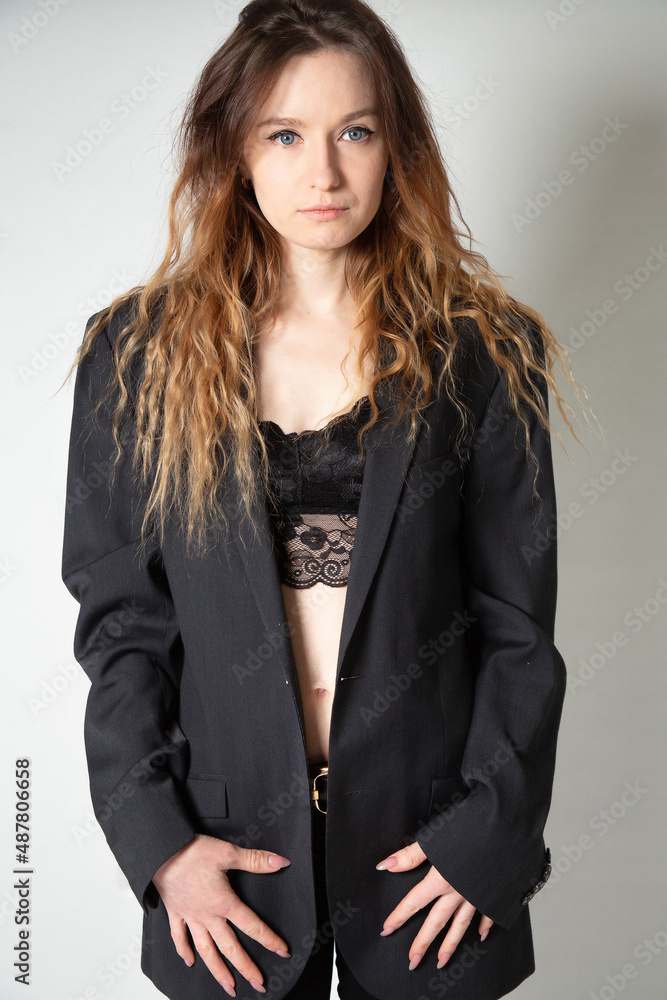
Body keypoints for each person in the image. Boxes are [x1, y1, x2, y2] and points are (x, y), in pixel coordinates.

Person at [61, 2, 594, 998]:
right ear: (234, 148)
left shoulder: (483, 351)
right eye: (284, 135)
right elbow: (124, 631)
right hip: (227, 870)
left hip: (431, 862)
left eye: (355, 131)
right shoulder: (137, 357)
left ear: (396, 146)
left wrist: (485, 839)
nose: (324, 174)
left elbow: (517, 631)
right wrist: (162, 846)